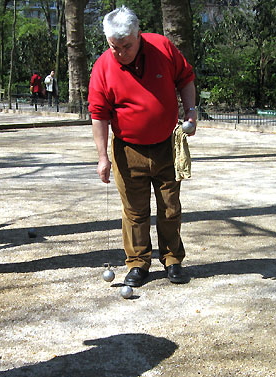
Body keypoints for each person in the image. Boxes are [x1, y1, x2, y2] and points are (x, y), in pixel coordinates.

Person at [88, 5, 197, 287]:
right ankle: (138, 263)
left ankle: (173, 259)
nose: (120, 53)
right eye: (114, 46)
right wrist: (102, 157)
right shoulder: (103, 67)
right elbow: (98, 115)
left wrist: (192, 111)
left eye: (126, 46)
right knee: (135, 212)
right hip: (128, 149)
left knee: (170, 207)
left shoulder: (162, 47)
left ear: (139, 35)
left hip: (166, 145)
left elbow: (186, 78)